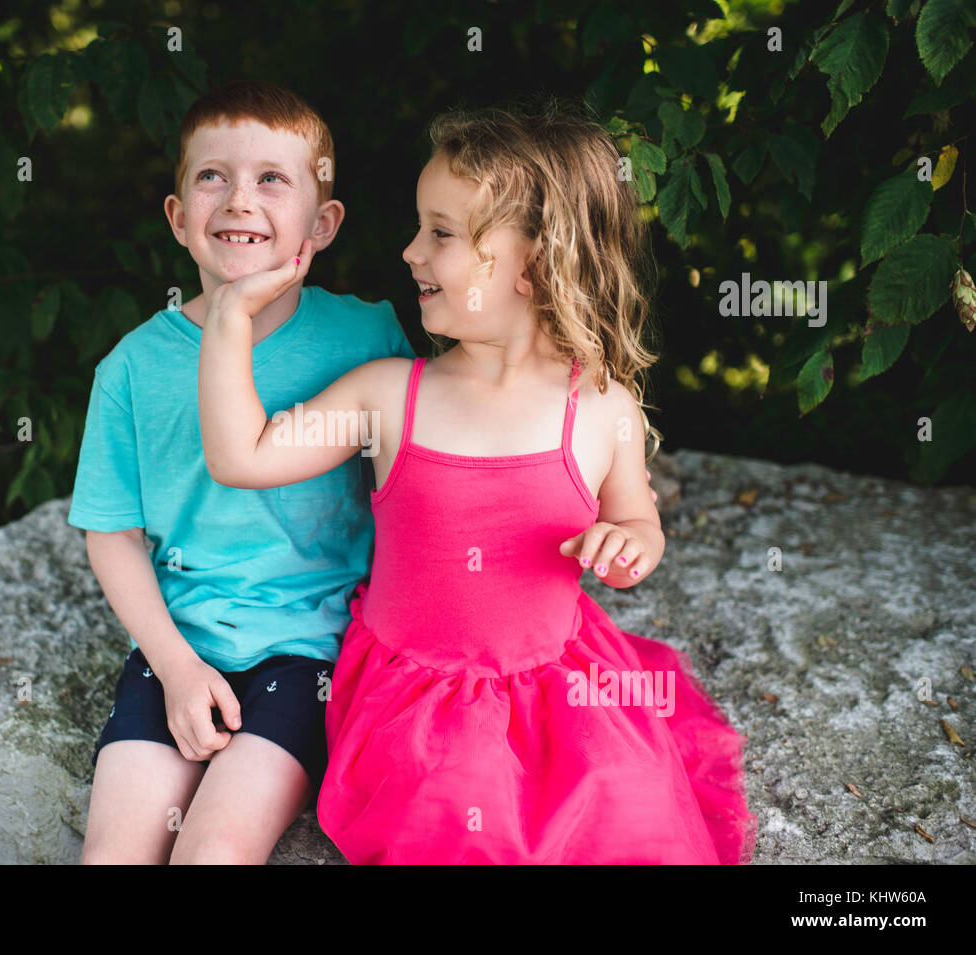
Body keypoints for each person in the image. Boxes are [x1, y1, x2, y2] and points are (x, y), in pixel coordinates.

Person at [197, 98, 758, 863]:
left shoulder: (599, 408)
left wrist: (626, 545)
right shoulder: (392, 394)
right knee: (461, 817)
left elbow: (638, 522)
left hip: (560, 683)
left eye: (441, 233)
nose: (409, 252)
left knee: (628, 801)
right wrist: (229, 320)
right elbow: (245, 455)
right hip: (419, 699)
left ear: (533, 262)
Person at [69, 80, 413, 864]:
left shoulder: (366, 338)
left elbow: (418, 483)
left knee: (213, 851)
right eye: (211, 176)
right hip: (179, 646)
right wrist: (177, 668)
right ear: (178, 216)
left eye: (271, 179)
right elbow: (112, 534)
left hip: (310, 656)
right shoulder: (131, 369)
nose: (238, 199)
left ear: (321, 224)